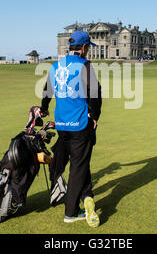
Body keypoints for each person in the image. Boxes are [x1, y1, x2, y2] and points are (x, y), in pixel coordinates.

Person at [41, 30, 102, 227]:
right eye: (87, 48)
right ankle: (71, 212)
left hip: (61, 124)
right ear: (84, 47)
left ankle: (87, 195)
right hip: (79, 124)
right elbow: (95, 93)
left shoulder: (56, 66)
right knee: (78, 166)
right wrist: (95, 116)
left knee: (80, 162)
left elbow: (46, 91)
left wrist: (43, 110)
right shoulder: (85, 65)